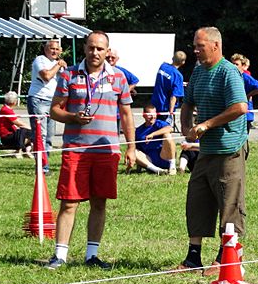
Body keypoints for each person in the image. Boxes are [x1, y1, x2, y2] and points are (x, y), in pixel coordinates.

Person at [46, 31, 136, 270]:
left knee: (99, 203)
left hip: (107, 151)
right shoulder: (68, 75)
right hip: (76, 149)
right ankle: (60, 255)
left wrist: (131, 147)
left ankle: (92, 255)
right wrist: (72, 117)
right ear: (85, 48)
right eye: (91, 47)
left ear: (107, 51)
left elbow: (127, 115)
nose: (95, 52)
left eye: (100, 49)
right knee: (69, 202)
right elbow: (54, 110)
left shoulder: (118, 77)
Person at [176, 26, 248, 275]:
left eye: (200, 46)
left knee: (229, 202)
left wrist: (207, 124)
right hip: (206, 149)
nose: (195, 50)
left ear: (215, 46)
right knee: (197, 199)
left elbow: (240, 107)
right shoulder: (198, 71)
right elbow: (187, 102)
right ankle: (193, 258)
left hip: (229, 149)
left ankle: (225, 258)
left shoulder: (228, 71)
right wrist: (186, 126)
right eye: (195, 46)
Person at [28, 39, 67, 173]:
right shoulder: (40, 60)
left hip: (53, 101)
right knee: (41, 135)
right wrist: (58, 65)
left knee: (49, 136)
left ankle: (45, 164)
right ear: (46, 50)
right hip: (38, 99)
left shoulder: (59, 64)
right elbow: (46, 76)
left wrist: (64, 69)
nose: (55, 51)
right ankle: (42, 168)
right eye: (52, 49)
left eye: (57, 49)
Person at [134, 104, 176, 175]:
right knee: (133, 151)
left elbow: (170, 128)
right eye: (150, 115)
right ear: (144, 115)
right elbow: (137, 149)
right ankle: (157, 170)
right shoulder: (138, 131)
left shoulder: (159, 123)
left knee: (167, 135)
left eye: (154, 114)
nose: (153, 117)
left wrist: (153, 134)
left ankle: (172, 167)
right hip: (149, 160)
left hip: (164, 157)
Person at [152, 50, 186, 128]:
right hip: (165, 107)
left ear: (172, 58)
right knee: (163, 130)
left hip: (155, 103)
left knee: (154, 127)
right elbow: (174, 96)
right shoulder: (178, 75)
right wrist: (170, 113)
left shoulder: (163, 66)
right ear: (183, 62)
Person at [230, 54, 258, 132]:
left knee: (243, 136)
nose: (234, 66)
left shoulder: (245, 77)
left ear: (243, 66)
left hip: (245, 112)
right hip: (233, 112)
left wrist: (248, 95)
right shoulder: (230, 76)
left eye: (237, 64)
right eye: (233, 64)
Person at [0, 91, 33, 158]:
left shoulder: (6, 109)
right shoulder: (6, 110)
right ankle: (19, 151)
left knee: (28, 132)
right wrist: (30, 128)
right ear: (14, 102)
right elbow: (18, 123)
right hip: (6, 137)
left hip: (11, 135)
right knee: (24, 130)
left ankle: (27, 151)